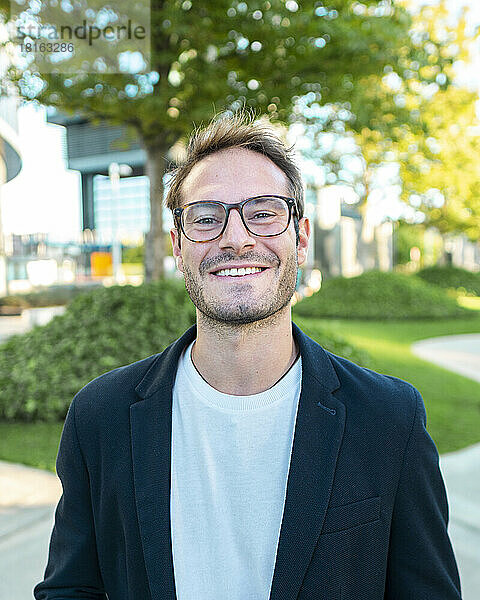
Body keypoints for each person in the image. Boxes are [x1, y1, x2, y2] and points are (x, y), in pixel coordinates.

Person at [35, 112, 461, 600]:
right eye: (206, 218)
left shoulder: (389, 419)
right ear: (177, 245)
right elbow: (70, 588)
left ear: (300, 239)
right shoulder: (100, 416)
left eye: (262, 212)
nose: (236, 238)